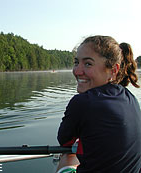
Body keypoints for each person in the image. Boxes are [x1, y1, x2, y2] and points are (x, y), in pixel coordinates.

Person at [57, 35, 141, 173]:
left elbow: (65, 142)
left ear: (113, 70)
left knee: (68, 156)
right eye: (76, 62)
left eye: (88, 64)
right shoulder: (130, 98)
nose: (77, 71)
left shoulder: (82, 102)